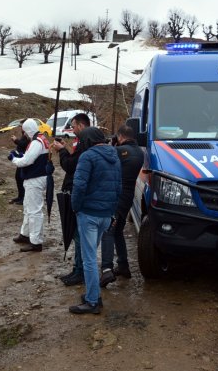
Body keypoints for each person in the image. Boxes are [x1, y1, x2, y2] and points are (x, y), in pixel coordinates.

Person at [69, 127, 121, 314]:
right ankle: (93, 294)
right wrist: (113, 212)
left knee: (89, 258)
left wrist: (75, 207)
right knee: (91, 255)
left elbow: (79, 185)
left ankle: (92, 301)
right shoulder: (115, 156)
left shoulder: (87, 156)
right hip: (106, 215)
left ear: (88, 140)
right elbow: (118, 187)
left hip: (89, 214)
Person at [99, 125, 144, 287]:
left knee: (108, 230)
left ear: (120, 136)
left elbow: (105, 161)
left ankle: (107, 270)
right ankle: (123, 266)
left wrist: (112, 146)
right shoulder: (139, 152)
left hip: (116, 196)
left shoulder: (119, 151)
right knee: (118, 231)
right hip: (128, 197)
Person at [51, 113, 90, 286]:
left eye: (73, 127)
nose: (73, 130)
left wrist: (61, 151)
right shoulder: (86, 143)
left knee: (78, 235)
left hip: (78, 194)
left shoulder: (86, 144)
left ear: (81, 126)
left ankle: (80, 272)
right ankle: (77, 269)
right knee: (76, 234)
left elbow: (70, 166)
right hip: (77, 193)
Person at [9, 119, 49, 252]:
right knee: (28, 207)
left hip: (35, 178)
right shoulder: (39, 139)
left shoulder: (37, 142)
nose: (24, 134)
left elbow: (27, 161)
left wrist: (14, 159)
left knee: (34, 211)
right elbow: (31, 156)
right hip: (35, 177)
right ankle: (25, 234)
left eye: (25, 131)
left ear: (29, 130)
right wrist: (20, 155)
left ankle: (36, 242)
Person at [9, 128, 30, 204]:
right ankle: (20, 196)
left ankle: (24, 198)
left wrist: (16, 140)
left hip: (24, 159)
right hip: (20, 158)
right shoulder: (24, 134)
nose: (21, 127)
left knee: (21, 178)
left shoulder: (28, 135)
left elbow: (23, 144)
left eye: (22, 126)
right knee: (18, 177)